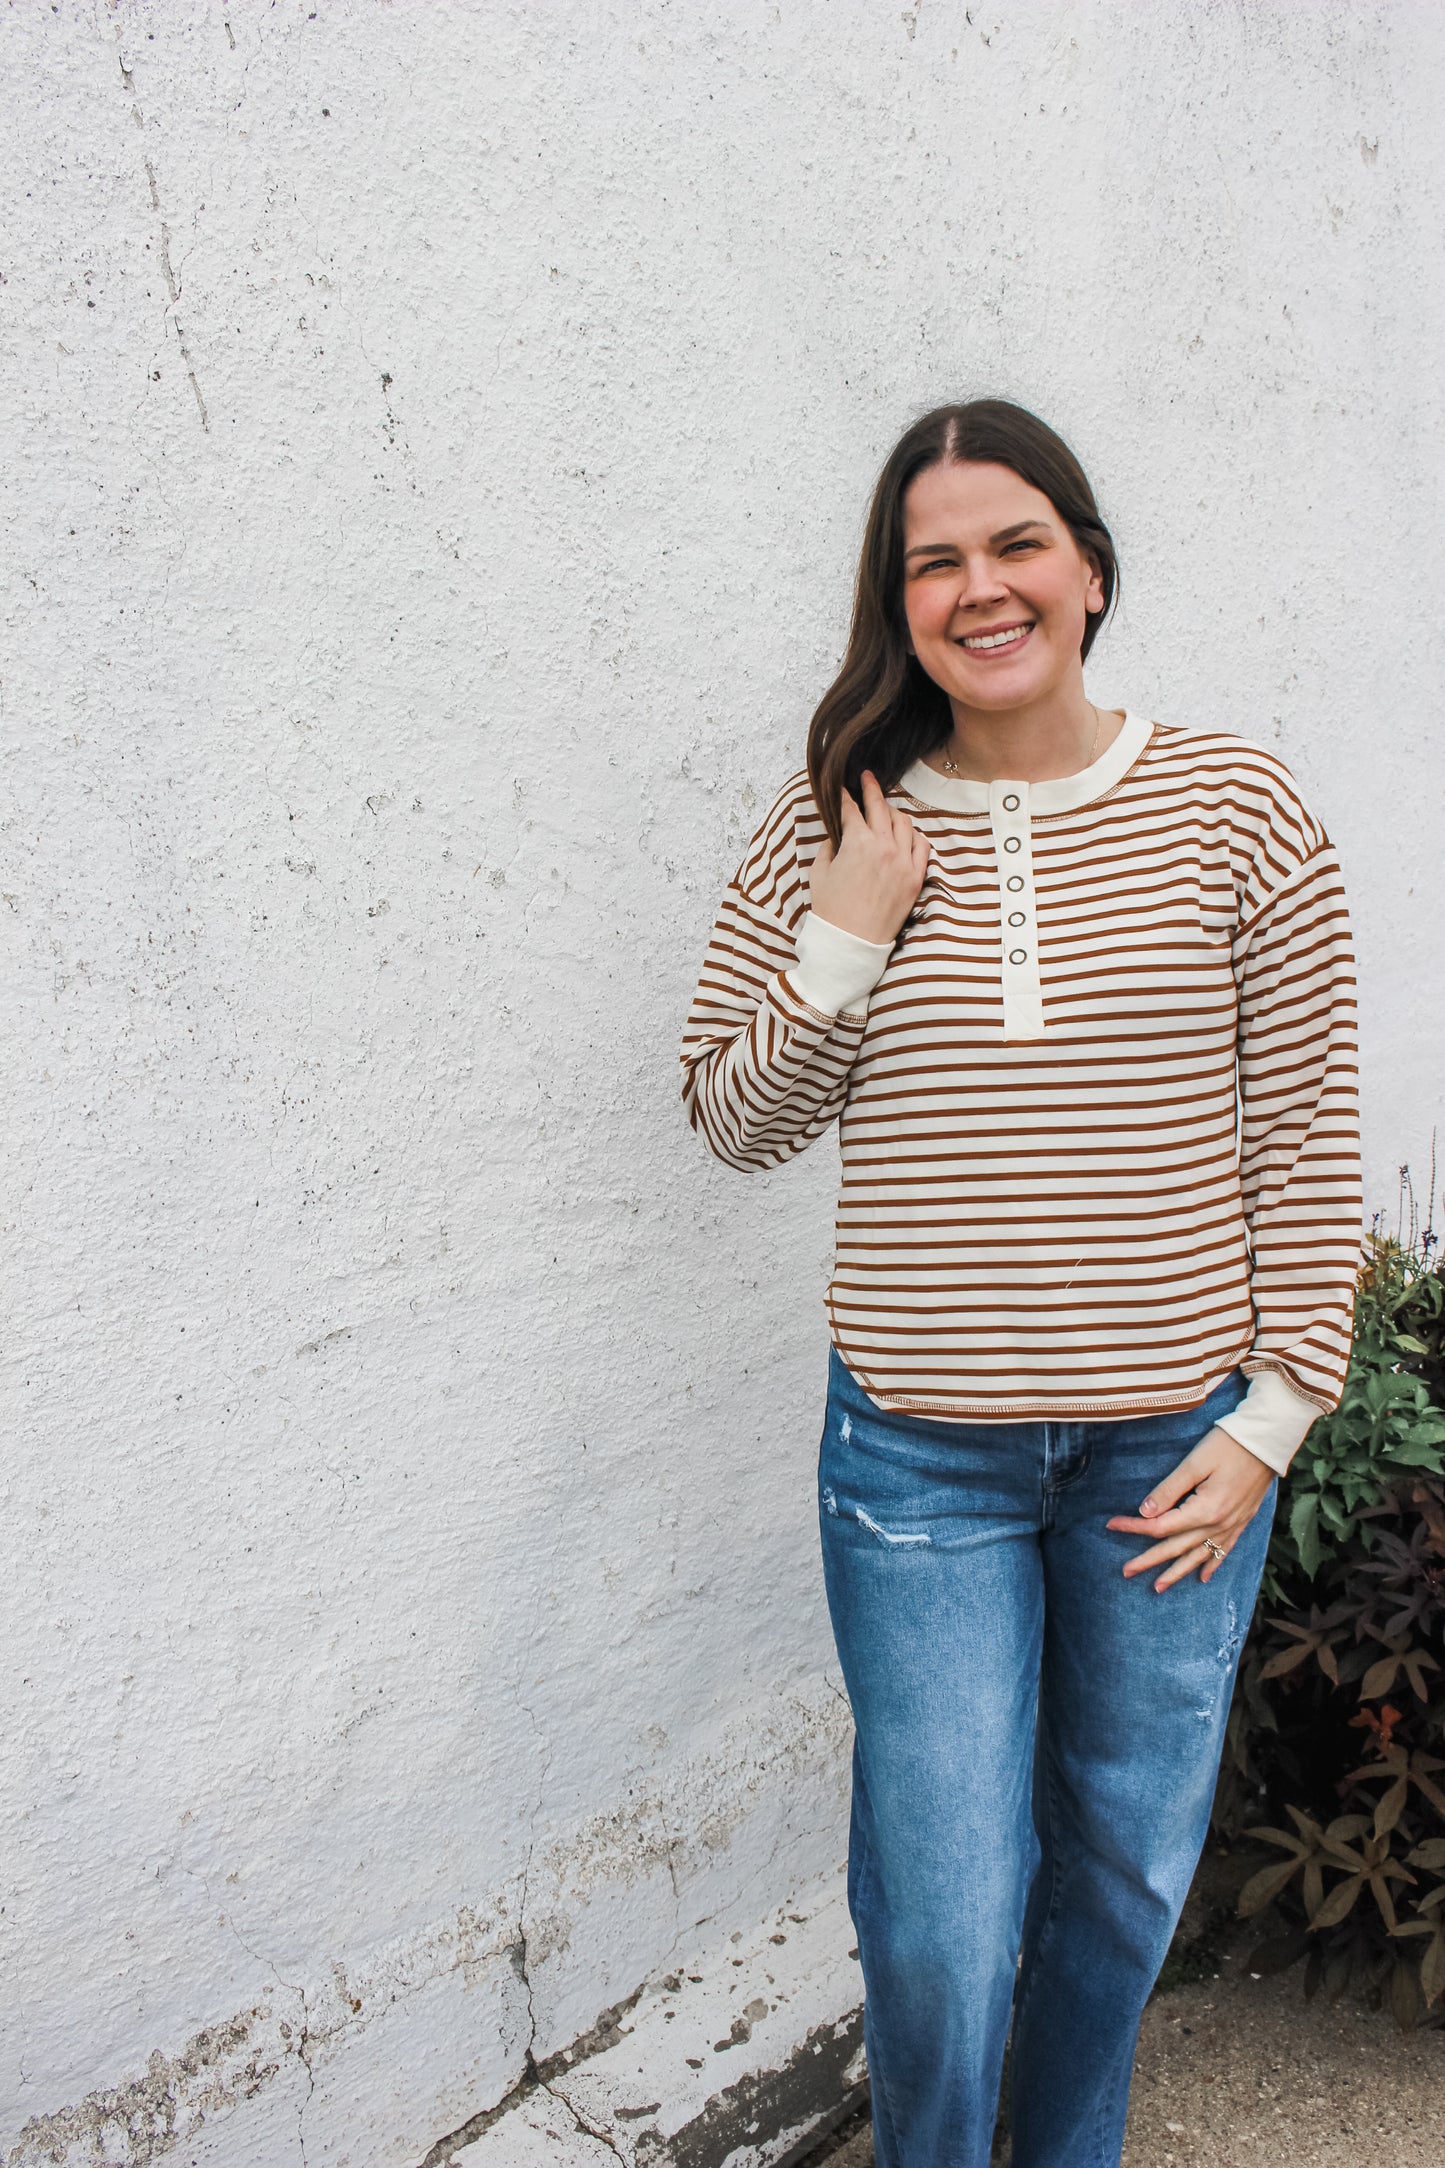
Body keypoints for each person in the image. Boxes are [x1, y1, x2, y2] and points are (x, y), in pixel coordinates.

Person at [678, 401, 1362, 2168]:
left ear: (1087, 568)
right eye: (933, 562)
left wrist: (1278, 1412)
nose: (979, 590)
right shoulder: (834, 823)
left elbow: (1302, 1129)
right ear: (892, 602)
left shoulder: (1235, 806)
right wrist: (846, 927)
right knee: (937, 1912)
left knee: (1125, 1873)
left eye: (1014, 545)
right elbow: (734, 1120)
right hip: (917, 1467)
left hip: (1172, 1453)